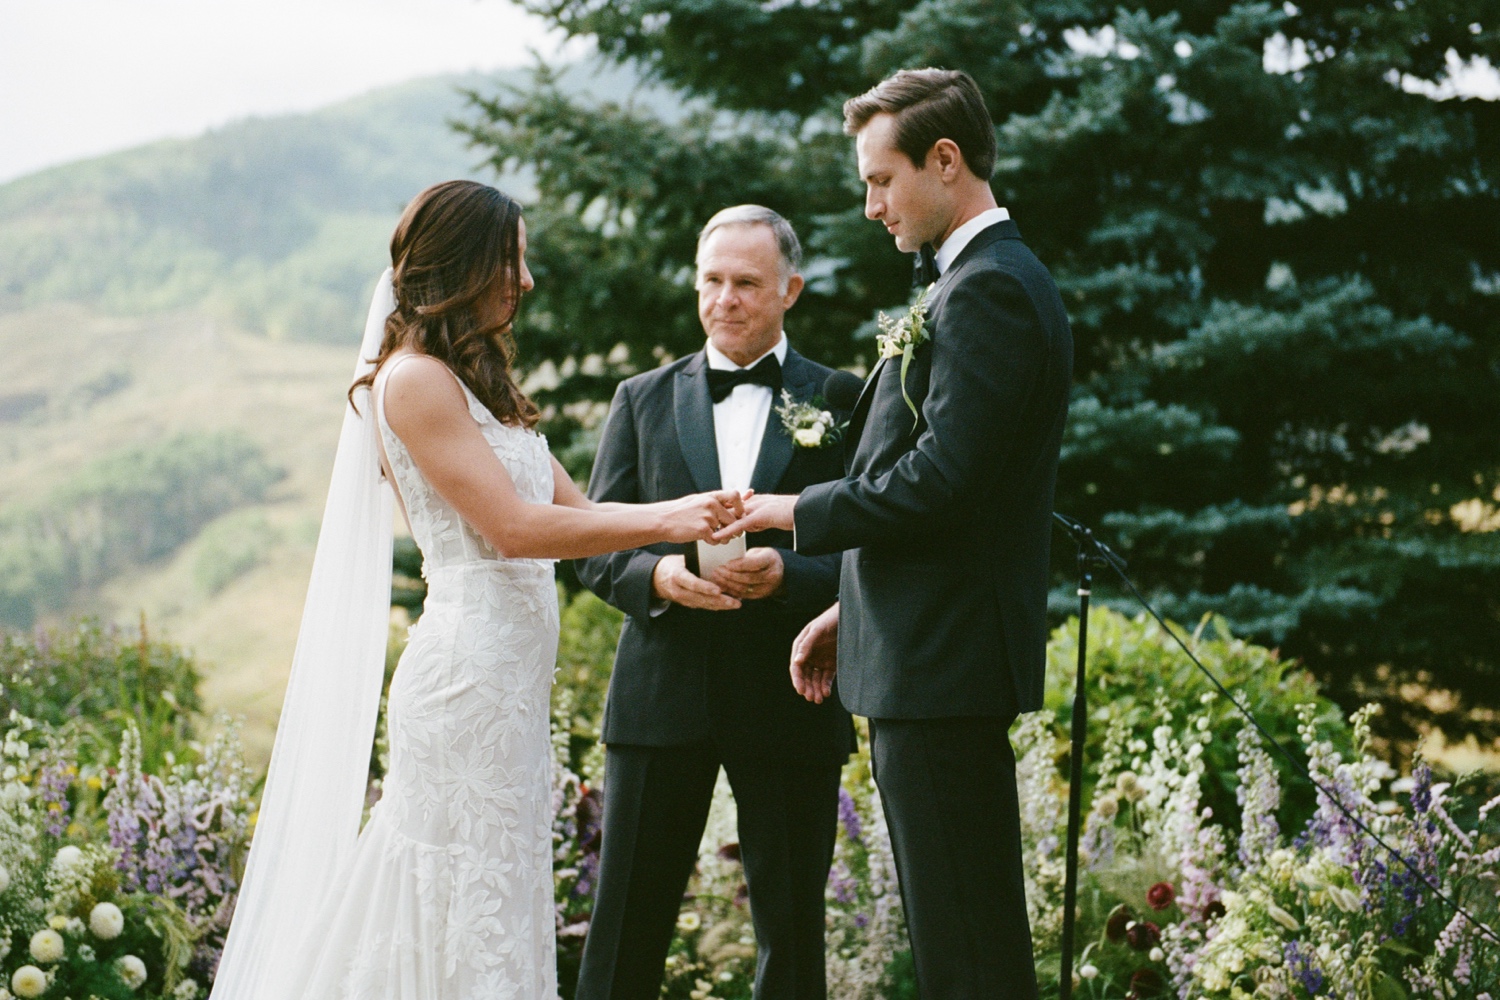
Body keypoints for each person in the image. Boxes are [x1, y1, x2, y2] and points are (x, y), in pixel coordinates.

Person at [209, 180, 745, 1000]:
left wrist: (683, 549)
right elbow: (516, 530)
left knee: (498, 892)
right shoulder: (414, 381)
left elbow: (583, 515)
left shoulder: (479, 386)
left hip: (511, 693)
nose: (525, 280)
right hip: (465, 684)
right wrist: (672, 514)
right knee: (451, 891)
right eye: (510, 259)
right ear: (459, 265)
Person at [715, 71, 1074, 998]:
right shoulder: (966, 282)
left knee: (969, 946)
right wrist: (850, 605)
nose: (871, 205)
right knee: (955, 930)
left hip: (944, 661)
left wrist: (793, 512)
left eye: (882, 180)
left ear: (944, 161)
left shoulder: (988, 290)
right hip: (922, 647)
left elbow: (943, 482)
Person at [574, 206, 855, 1000]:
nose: (725, 299)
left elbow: (870, 546)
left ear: (790, 289)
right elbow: (594, 543)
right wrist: (656, 580)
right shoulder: (642, 398)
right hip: (661, 696)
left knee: (793, 937)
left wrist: (791, 575)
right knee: (625, 927)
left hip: (794, 694)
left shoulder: (838, 398)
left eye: (746, 283)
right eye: (712, 281)